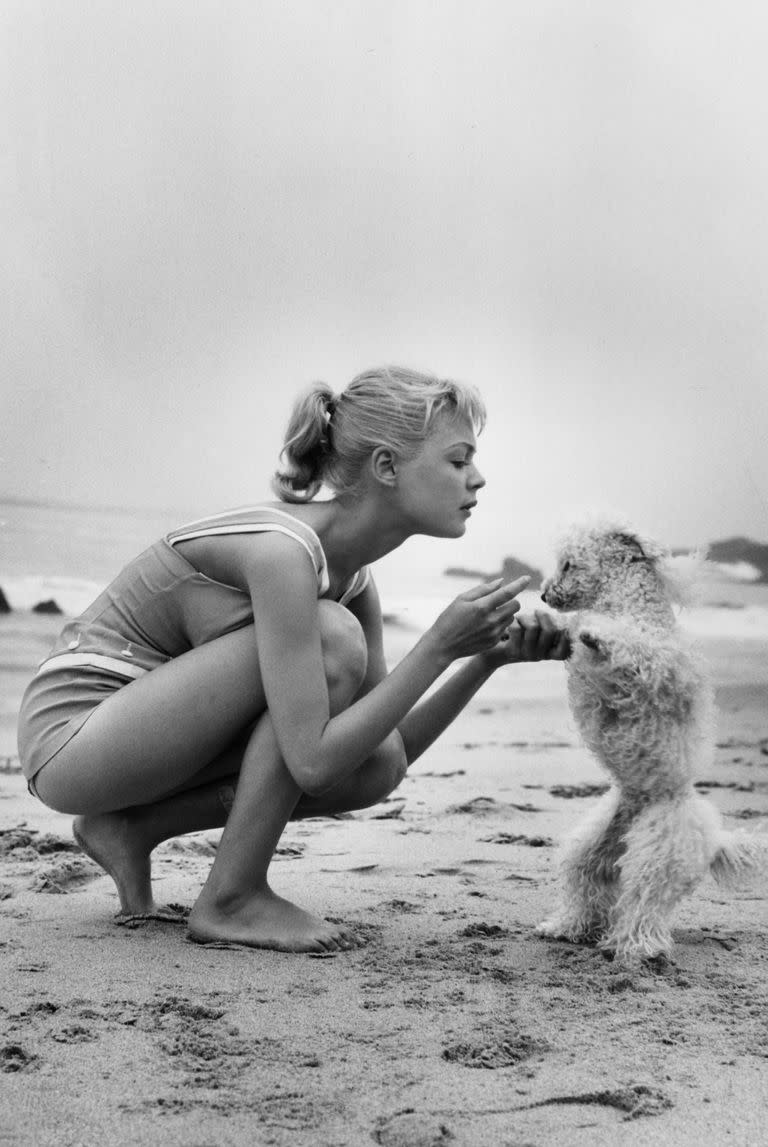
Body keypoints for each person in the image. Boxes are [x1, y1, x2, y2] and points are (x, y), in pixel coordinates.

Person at [17, 366, 569, 953]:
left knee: (374, 763)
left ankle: (130, 828)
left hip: (136, 740)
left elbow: (389, 747)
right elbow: (312, 764)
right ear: (386, 468)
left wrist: (483, 661)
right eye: (459, 461)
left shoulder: (353, 579)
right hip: (72, 736)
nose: (478, 479)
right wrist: (435, 644)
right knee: (332, 637)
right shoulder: (286, 553)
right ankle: (232, 897)